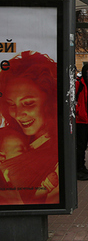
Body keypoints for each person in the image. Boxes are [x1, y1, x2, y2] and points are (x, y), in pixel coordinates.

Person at [0, 51, 59, 204]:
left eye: (28, 103)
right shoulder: (9, 137)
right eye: (11, 105)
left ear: (49, 101)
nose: (18, 114)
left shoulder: (57, 154)